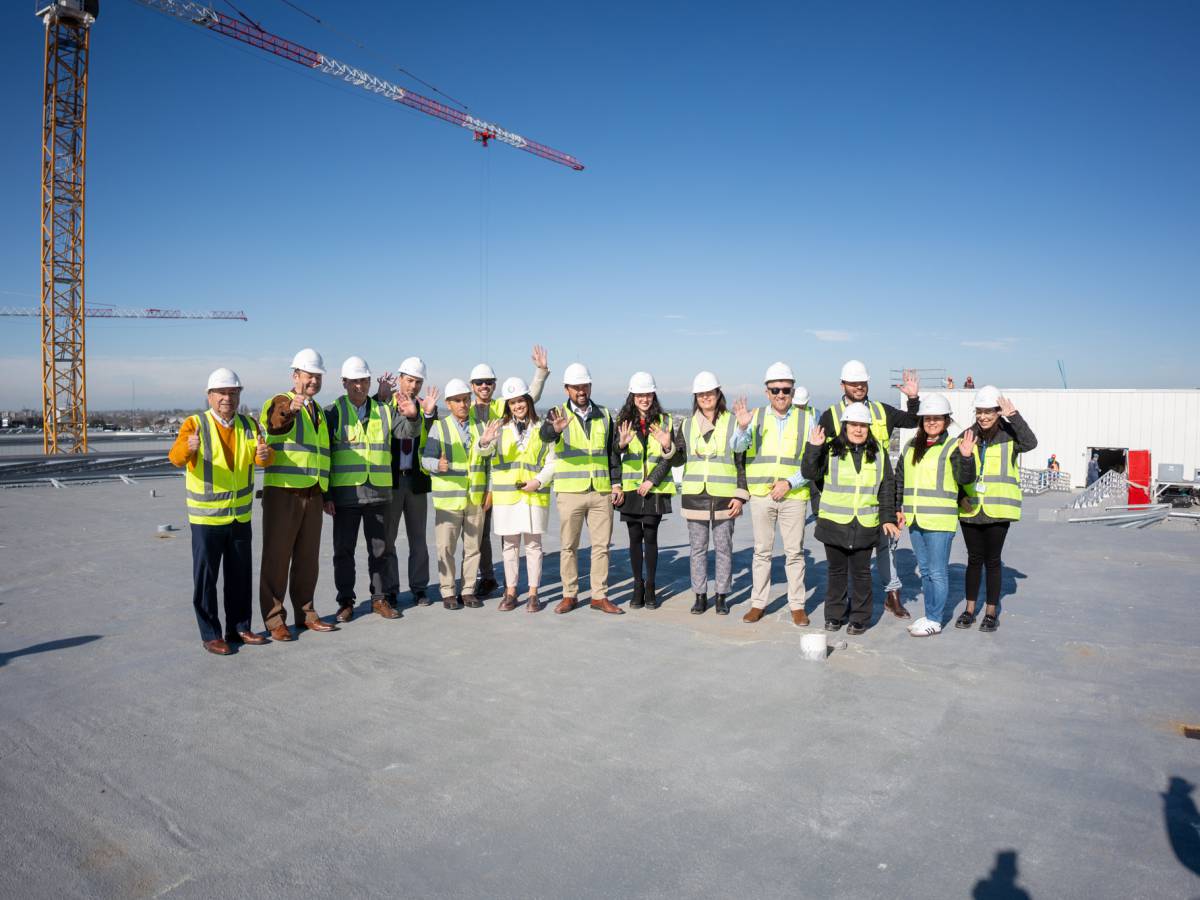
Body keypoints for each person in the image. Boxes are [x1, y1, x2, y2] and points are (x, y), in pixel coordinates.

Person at [169, 368, 273, 655]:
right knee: (206, 579)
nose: (227, 398)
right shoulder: (195, 424)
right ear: (210, 396)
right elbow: (175, 458)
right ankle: (211, 634)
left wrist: (266, 456)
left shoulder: (249, 425)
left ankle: (239, 628)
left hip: (240, 515)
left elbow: (264, 454)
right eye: (222, 393)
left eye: (233, 392)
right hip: (206, 518)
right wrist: (188, 448)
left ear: (239, 395)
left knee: (240, 576)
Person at [820, 360, 920, 618]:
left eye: (863, 383)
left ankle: (892, 595)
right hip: (845, 499)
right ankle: (846, 605)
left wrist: (913, 398)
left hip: (881, 489)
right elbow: (819, 463)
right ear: (843, 385)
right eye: (854, 383)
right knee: (848, 559)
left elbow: (911, 420)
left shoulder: (880, 411)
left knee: (887, 547)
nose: (859, 387)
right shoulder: (831, 416)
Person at [325, 356, 419, 623]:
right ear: (344, 383)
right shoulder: (333, 411)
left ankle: (380, 599)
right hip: (346, 495)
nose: (360, 386)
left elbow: (406, 432)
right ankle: (345, 601)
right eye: (354, 381)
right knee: (343, 551)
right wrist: (327, 494)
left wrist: (412, 417)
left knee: (380, 550)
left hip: (378, 494)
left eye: (364, 380)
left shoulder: (383, 410)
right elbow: (325, 454)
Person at [257, 348, 336, 642]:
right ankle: (274, 619)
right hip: (284, 494)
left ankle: (306, 613)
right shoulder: (280, 401)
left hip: (313, 493)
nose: (313, 380)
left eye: (317, 376)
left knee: (307, 559)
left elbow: (321, 455)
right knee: (277, 559)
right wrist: (291, 407)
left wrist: (325, 493)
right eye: (308, 375)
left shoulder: (318, 412)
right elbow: (277, 422)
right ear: (295, 376)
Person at [802, 402, 898, 635]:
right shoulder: (830, 450)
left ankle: (859, 618)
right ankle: (834, 615)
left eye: (863, 426)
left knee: (862, 573)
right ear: (845, 426)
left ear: (869, 428)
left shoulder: (879, 454)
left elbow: (887, 487)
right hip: (834, 523)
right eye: (853, 425)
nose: (858, 430)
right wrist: (813, 448)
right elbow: (809, 473)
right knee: (836, 572)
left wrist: (887, 518)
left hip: (865, 523)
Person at [539, 362, 624, 615]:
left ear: (590, 386)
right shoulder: (557, 413)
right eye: (576, 387)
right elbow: (545, 435)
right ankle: (569, 594)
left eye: (584, 386)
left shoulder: (605, 415)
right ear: (567, 389)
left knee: (602, 546)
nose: (581, 391)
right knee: (569, 546)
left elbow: (611, 453)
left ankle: (599, 595)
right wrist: (554, 430)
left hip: (600, 490)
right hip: (570, 491)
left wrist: (616, 482)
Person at [735, 362, 816, 626]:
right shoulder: (755, 417)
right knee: (762, 552)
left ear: (793, 391)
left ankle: (797, 606)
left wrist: (790, 483)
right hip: (761, 495)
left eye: (786, 390)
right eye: (775, 390)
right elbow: (737, 447)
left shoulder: (807, 419)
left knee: (794, 553)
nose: (781, 395)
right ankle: (758, 604)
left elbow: (813, 461)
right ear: (766, 392)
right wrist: (743, 428)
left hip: (793, 495)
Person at [468, 345, 551, 599]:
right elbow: (483, 450)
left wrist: (540, 371)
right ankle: (492, 584)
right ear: (472, 386)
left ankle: (522, 590)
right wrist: (484, 442)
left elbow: (530, 396)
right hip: (485, 485)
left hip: (518, 490)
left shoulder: (502, 408)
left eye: (488, 382)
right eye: (479, 383)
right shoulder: (467, 410)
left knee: (525, 544)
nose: (484, 386)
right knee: (489, 541)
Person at [956, 386, 1037, 633]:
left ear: (997, 412)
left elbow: (1031, 442)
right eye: (979, 411)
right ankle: (969, 609)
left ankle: (991, 612)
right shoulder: (967, 435)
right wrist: (967, 459)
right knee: (973, 560)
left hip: (999, 510)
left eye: (989, 411)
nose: (983, 416)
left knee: (992, 561)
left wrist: (1015, 416)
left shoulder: (1010, 435)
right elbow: (958, 472)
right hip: (971, 509)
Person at [895, 394, 976, 637]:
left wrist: (967, 457)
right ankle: (929, 613)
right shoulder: (911, 446)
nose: (931, 422)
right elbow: (901, 478)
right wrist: (898, 507)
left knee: (938, 571)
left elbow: (965, 479)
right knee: (926, 570)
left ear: (946, 421)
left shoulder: (953, 446)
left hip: (940, 520)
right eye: (927, 418)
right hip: (916, 518)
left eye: (937, 418)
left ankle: (935, 619)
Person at [676, 371, 749, 615]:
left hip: (724, 497)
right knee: (697, 548)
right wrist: (667, 445)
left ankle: (721, 595)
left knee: (723, 548)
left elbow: (741, 460)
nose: (706, 397)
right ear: (695, 397)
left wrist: (740, 495)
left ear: (719, 394)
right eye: (701, 394)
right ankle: (699, 595)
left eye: (710, 392)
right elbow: (677, 457)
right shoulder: (686, 425)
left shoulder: (732, 422)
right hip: (695, 495)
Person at [422, 379, 495, 609]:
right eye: (457, 400)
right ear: (449, 403)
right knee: (446, 548)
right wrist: (438, 465)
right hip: (449, 500)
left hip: (474, 497)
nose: (463, 404)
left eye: (466, 399)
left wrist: (489, 490)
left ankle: (468, 590)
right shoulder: (440, 427)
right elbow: (425, 460)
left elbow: (488, 461)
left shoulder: (480, 427)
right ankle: (448, 591)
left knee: (473, 548)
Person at [376, 357, 440, 608]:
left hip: (415, 482)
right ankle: (390, 590)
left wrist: (430, 414)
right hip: (391, 481)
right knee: (389, 539)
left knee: (418, 540)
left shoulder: (426, 407)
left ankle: (419, 588)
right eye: (410, 380)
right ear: (400, 379)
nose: (413, 386)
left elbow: (433, 434)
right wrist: (378, 398)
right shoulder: (385, 404)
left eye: (418, 382)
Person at [615, 372, 679, 611]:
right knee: (634, 539)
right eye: (640, 395)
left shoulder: (665, 420)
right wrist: (620, 443)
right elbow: (613, 451)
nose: (644, 399)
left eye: (648, 394)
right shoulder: (623, 420)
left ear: (654, 394)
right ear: (632, 396)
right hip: (631, 489)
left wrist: (652, 480)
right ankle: (637, 586)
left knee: (651, 538)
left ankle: (651, 586)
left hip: (655, 489)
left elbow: (669, 456)